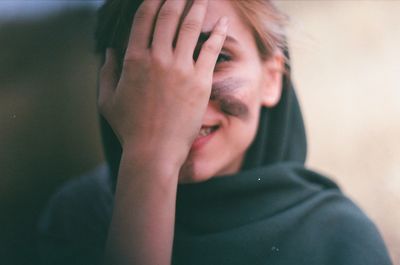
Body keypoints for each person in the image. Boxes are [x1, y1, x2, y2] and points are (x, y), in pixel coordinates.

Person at [37, 0, 393, 264]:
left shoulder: (338, 240)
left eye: (217, 57)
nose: (181, 99)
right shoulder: (77, 217)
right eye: (149, 65)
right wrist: (151, 158)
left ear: (272, 78)